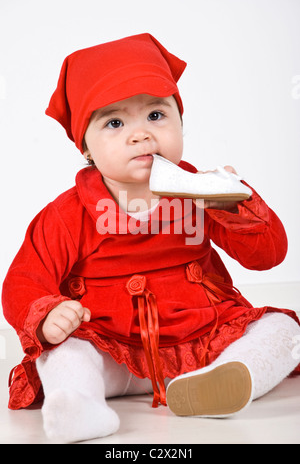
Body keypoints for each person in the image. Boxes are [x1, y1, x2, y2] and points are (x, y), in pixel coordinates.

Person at [2, 33, 300, 443]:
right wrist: (49, 314)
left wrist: (235, 204)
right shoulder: (68, 214)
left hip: (202, 341)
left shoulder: (199, 191)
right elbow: (22, 281)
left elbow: (268, 256)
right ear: (85, 147)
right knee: (67, 352)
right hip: (115, 353)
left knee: (284, 328)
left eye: (156, 116)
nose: (141, 135)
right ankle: (77, 404)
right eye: (115, 123)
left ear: (181, 122)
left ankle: (228, 377)